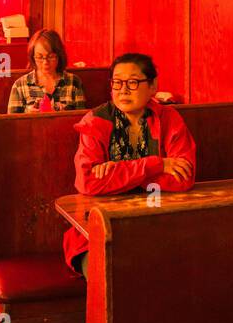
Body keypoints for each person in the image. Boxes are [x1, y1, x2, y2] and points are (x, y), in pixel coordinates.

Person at [64, 53, 196, 279]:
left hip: (159, 224)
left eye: (133, 82)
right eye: (117, 82)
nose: (123, 89)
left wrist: (115, 173)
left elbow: (183, 177)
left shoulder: (169, 119)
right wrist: (158, 164)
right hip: (98, 230)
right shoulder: (95, 121)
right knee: (109, 274)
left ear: (153, 86)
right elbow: (88, 182)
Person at [7, 29, 87, 114]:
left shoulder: (74, 82)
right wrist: (27, 116)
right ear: (33, 57)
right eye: (39, 57)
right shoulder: (20, 85)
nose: (45, 62)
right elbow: (12, 123)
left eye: (51, 56)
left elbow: (81, 119)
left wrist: (64, 116)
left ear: (59, 56)